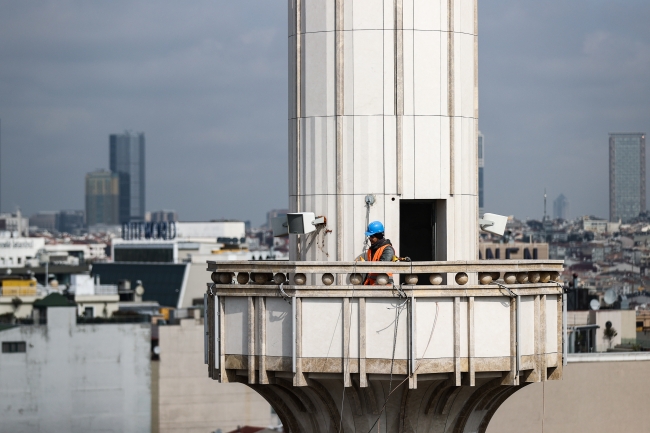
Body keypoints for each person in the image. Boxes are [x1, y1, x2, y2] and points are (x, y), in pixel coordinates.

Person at [363, 221, 396, 285]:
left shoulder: (387, 249)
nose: (370, 238)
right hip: (371, 285)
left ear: (378, 236)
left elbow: (382, 267)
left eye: (372, 237)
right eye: (369, 236)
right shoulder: (371, 249)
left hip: (384, 286)